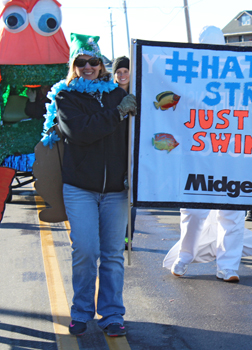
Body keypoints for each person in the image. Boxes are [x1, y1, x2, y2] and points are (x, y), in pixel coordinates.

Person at [164, 26, 252, 283]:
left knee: (232, 213)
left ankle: (228, 266)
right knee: (194, 212)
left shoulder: (241, 76)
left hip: (233, 157)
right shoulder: (187, 76)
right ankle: (184, 256)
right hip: (198, 156)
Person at [48, 33, 137, 337]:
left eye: (93, 61)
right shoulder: (65, 96)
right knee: (85, 250)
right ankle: (81, 311)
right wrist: (118, 113)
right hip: (79, 187)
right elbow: (80, 131)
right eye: (81, 61)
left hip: (116, 189)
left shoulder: (117, 94)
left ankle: (112, 313)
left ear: (102, 65)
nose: (88, 66)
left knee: (113, 254)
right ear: (73, 65)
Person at [112, 55, 136, 250]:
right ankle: (115, 236)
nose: (122, 75)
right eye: (118, 72)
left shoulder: (139, 91)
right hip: (115, 151)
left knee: (131, 198)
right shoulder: (110, 95)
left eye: (125, 71)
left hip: (133, 150)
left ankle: (127, 238)